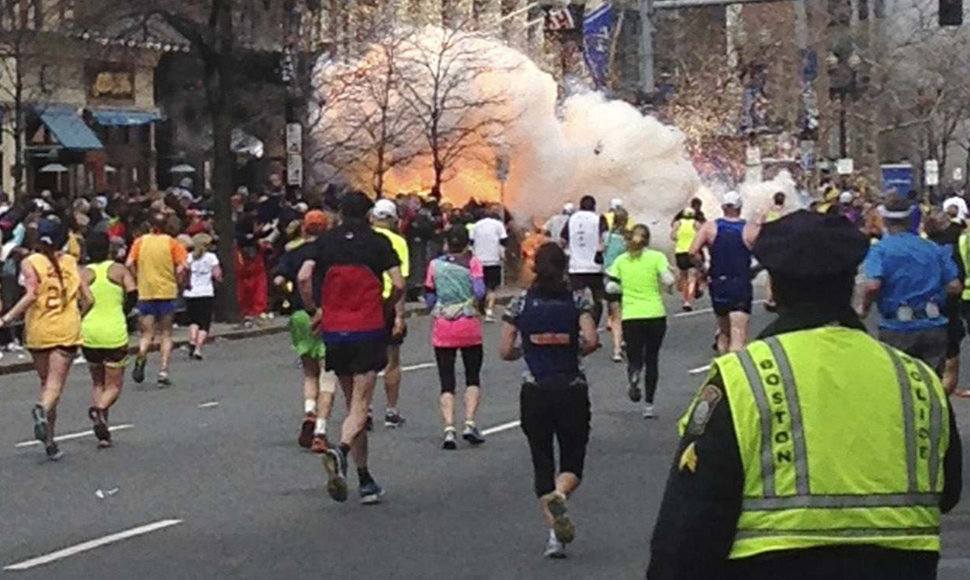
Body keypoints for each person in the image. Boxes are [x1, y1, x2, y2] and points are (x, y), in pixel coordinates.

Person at [647, 210, 962, 580]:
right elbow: (949, 491)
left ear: (775, 291)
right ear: (851, 284)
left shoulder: (743, 378)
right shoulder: (918, 379)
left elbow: (690, 522)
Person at [298, 192, 405, 505]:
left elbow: (304, 276)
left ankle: (365, 478)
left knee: (351, 405)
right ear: (369, 214)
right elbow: (398, 284)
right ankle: (341, 451)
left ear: (341, 214)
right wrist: (385, 306)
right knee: (361, 406)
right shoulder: (377, 243)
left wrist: (314, 310)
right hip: (368, 328)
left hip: (335, 329)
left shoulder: (325, 242)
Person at [499, 243, 599, 559]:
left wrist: (525, 350)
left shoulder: (520, 303)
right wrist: (575, 349)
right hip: (570, 387)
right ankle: (561, 493)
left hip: (535, 390)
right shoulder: (578, 300)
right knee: (572, 461)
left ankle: (555, 537)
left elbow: (504, 350)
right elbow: (592, 339)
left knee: (542, 461)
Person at [0, 219, 93, 460]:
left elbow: (31, 294)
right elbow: (89, 299)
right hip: (66, 329)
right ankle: (41, 412)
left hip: (38, 329)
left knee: (46, 384)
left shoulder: (30, 262)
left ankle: (50, 441)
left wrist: (8, 317)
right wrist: (77, 315)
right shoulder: (71, 262)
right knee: (54, 386)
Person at [860, 195, 960, 375]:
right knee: (933, 384)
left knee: (902, 385)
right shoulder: (932, 247)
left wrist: (864, 308)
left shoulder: (880, 249)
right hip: (933, 324)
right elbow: (954, 286)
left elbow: (873, 286)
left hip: (897, 328)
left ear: (886, 220)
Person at [274, 210, 336, 453]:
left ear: (304, 228)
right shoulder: (331, 253)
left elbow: (278, 280)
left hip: (299, 315)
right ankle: (320, 430)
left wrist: (288, 298)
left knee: (309, 372)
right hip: (326, 314)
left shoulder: (293, 252)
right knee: (327, 373)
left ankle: (309, 410)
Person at [424, 226, 487, 449]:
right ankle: (469, 423)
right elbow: (479, 291)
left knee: (446, 380)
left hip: (443, 326)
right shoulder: (473, 263)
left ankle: (449, 428)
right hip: (468, 324)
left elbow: (429, 292)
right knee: (472, 376)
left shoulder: (435, 265)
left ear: (447, 243)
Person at [606, 225, 675, 418]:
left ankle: (634, 374)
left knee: (635, 356)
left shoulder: (621, 260)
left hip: (632, 315)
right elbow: (668, 280)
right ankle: (649, 406)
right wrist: (668, 287)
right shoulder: (657, 257)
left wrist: (622, 291)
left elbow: (611, 286)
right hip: (655, 314)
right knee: (652, 359)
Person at [80, 232, 136, 449]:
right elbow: (133, 294)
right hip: (114, 331)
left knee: (98, 381)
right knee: (114, 386)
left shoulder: (83, 273)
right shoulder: (118, 270)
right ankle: (100, 410)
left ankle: (103, 430)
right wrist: (123, 311)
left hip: (90, 332)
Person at [689, 191, 760, 353]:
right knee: (738, 333)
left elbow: (692, 252)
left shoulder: (710, 227)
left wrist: (703, 269)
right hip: (740, 283)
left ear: (723, 207)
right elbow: (766, 254)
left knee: (723, 332)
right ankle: (734, 372)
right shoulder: (750, 229)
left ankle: (722, 366)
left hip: (718, 282)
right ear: (740, 208)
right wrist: (754, 270)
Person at [126, 213, 188, 387]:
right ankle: (163, 370)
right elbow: (184, 266)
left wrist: (137, 277)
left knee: (147, 333)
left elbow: (129, 263)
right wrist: (179, 280)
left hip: (146, 291)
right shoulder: (172, 243)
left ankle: (142, 353)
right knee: (166, 333)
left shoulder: (140, 242)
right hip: (167, 291)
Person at [372, 199, 409, 428]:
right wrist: (400, 315)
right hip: (388, 302)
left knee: (364, 361)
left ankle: (363, 408)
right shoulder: (398, 242)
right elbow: (400, 282)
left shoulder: (364, 239)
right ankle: (391, 410)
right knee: (392, 360)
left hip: (366, 303)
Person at [561, 195, 609, 326]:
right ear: (594, 206)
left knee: (576, 298)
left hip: (576, 267)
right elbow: (604, 240)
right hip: (595, 267)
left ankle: (577, 325)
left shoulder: (571, 219)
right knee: (598, 299)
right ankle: (594, 325)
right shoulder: (599, 218)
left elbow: (563, 240)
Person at [183, 233, 222, 361]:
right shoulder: (211, 258)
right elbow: (217, 274)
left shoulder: (189, 257)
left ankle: (192, 340)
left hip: (191, 293)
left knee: (193, 320)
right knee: (204, 323)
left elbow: (184, 272)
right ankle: (198, 349)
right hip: (206, 292)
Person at [470, 204, 508, 322]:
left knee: (478, 285)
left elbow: (471, 243)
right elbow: (503, 241)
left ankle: (477, 309)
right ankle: (489, 311)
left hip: (478, 260)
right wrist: (503, 255)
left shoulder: (475, 226)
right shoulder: (498, 225)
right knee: (491, 287)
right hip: (493, 259)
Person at [602, 208, 629, 361]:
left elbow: (600, 251)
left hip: (609, 279)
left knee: (616, 315)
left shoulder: (606, 237)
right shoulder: (628, 239)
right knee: (626, 313)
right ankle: (625, 340)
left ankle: (617, 349)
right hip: (625, 280)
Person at [670, 207, 699, 312]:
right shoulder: (696, 224)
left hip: (680, 252)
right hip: (692, 252)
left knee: (683, 276)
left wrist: (680, 238)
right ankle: (689, 301)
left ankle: (684, 299)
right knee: (692, 278)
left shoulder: (678, 223)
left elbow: (672, 236)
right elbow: (700, 236)